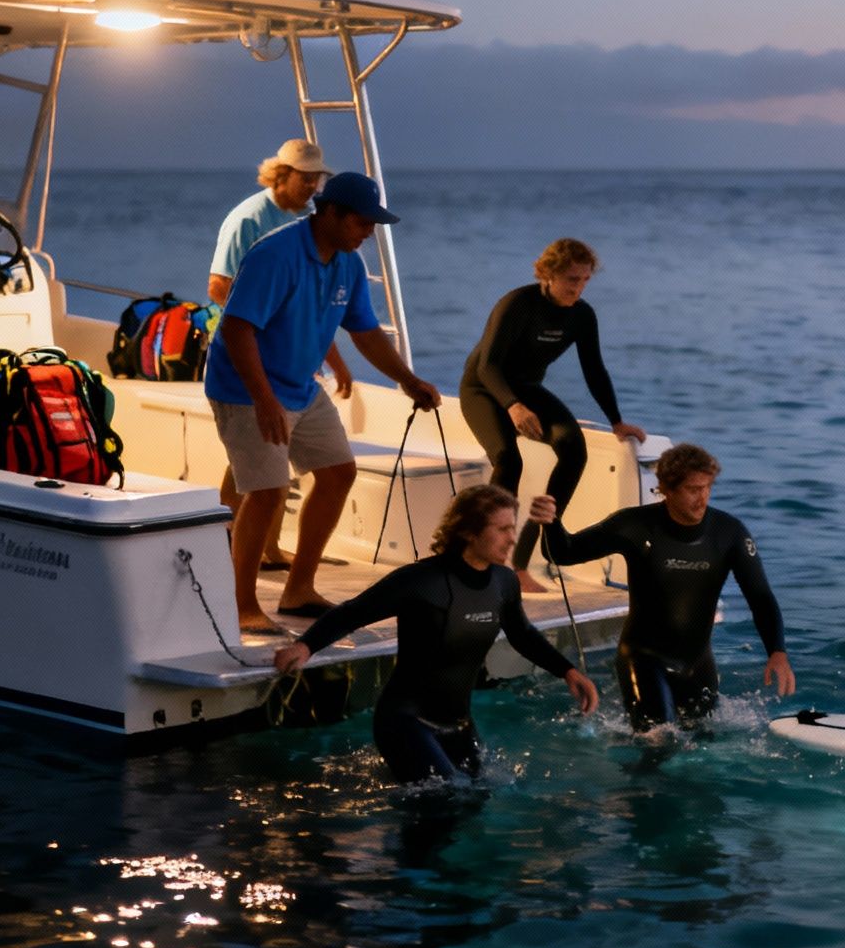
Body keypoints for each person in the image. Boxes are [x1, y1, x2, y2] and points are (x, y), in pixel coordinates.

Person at [207, 171, 440, 634]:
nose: (368, 232)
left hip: (301, 386)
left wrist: (408, 380)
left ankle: (299, 590)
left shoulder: (349, 263)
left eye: (373, 224)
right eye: (362, 222)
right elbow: (236, 327)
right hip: (246, 389)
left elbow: (365, 332)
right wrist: (264, 399)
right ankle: (242, 606)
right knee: (267, 492)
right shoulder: (276, 254)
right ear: (330, 213)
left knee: (338, 472)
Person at [273, 484, 599, 782]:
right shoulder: (422, 581)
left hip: (459, 725)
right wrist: (305, 646)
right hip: (405, 721)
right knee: (445, 802)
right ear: (469, 531)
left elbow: (522, 633)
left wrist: (567, 671)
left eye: (512, 528)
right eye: (502, 529)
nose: (512, 538)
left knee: (477, 798)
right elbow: (354, 612)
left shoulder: (504, 582)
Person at [531, 442, 794, 731]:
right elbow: (564, 553)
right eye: (693, 489)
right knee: (658, 743)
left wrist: (777, 651)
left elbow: (760, 596)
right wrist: (551, 523)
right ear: (666, 489)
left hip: (697, 663)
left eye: (707, 487)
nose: (702, 498)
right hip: (644, 659)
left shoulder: (729, 533)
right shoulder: (634, 526)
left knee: (703, 743)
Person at [460, 239, 645, 594]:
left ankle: (526, 558)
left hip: (527, 390)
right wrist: (513, 405)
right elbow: (488, 366)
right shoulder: (517, 304)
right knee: (508, 460)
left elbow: (594, 370)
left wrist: (616, 421)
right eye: (572, 279)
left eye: (585, 280)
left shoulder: (582, 315)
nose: (578, 288)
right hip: (484, 389)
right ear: (548, 274)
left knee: (573, 448)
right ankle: (490, 561)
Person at [209, 139, 355, 570]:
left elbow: (312, 304)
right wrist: (266, 323)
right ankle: (229, 545)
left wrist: (336, 360)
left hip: (292, 363)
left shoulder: (307, 222)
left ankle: (265, 548)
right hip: (248, 356)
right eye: (304, 178)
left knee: (263, 462)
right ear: (280, 175)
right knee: (257, 464)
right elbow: (218, 286)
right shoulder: (250, 220)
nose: (313, 186)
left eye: (317, 178)